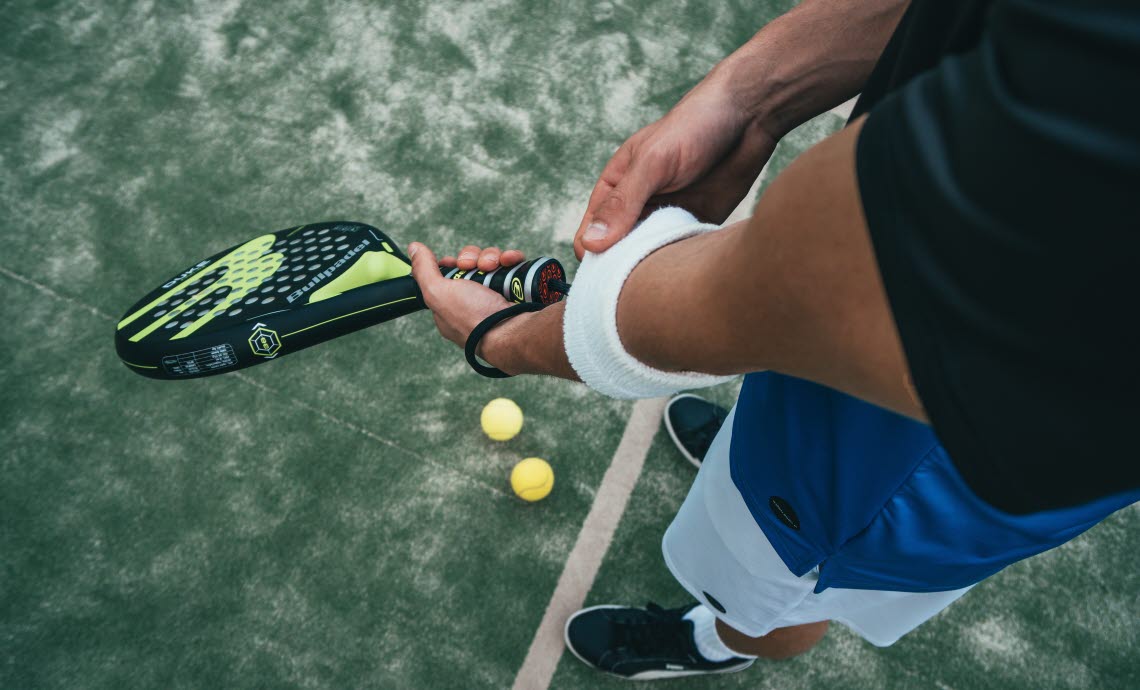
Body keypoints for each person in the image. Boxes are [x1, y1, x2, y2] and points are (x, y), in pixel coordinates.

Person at [408, 0, 1140, 680]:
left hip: (912, 462)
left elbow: (799, 293)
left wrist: (504, 339)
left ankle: (718, 640)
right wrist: (750, 95)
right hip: (897, 347)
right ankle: (751, 452)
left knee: (779, 588)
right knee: (776, 431)